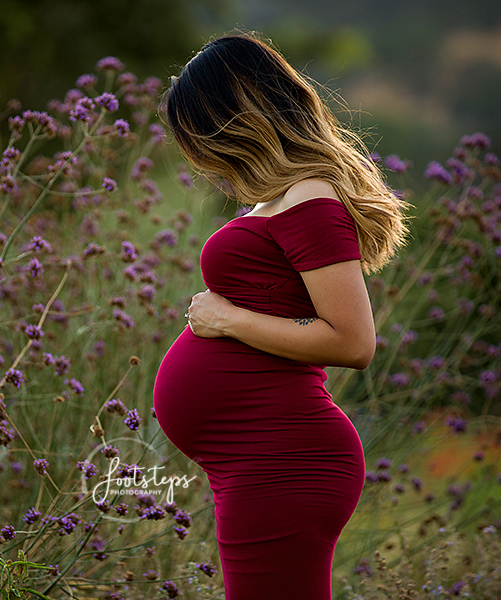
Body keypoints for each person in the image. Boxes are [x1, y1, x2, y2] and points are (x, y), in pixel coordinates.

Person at [153, 33, 408, 599]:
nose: (199, 155)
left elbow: (352, 341)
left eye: (200, 133)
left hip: (286, 459)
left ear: (237, 116)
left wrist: (228, 321)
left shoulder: (311, 197)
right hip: (256, 460)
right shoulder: (281, 198)